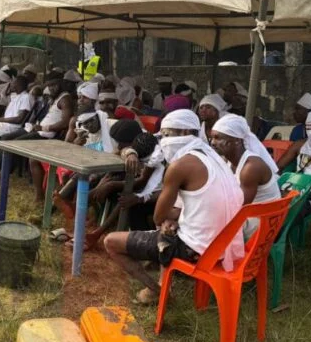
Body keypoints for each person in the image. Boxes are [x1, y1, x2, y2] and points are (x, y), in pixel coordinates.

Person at [104, 109, 244, 304]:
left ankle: (158, 292)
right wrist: (173, 218)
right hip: (226, 244)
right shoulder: (212, 157)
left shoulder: (180, 166)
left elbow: (158, 217)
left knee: (111, 242)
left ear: (185, 133)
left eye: (167, 135)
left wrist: (169, 218)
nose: (163, 140)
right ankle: (163, 281)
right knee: (168, 225)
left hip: (199, 250)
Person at [0, 71, 74, 189]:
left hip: (46, 135)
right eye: (49, 85)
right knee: (6, 138)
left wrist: (44, 127)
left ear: (61, 84)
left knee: (13, 144)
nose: (51, 88)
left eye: (55, 85)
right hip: (37, 129)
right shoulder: (55, 98)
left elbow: (65, 122)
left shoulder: (65, 99)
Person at [210, 114, 281, 238]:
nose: (212, 143)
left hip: (260, 222)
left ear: (237, 141)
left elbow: (238, 205)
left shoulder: (251, 167)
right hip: (250, 215)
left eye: (218, 138)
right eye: (212, 138)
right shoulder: (229, 161)